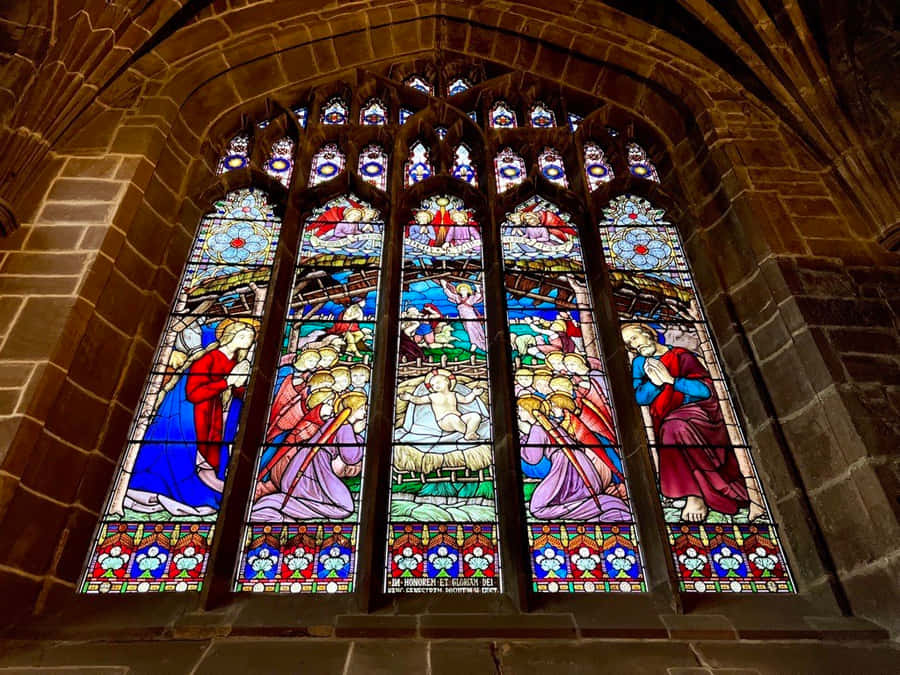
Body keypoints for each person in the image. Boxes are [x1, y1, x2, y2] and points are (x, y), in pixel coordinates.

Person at [621, 322, 758, 522]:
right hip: (666, 417)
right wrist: (655, 384)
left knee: (674, 427)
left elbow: (705, 390)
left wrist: (672, 381)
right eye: (629, 345)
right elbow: (640, 397)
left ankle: (695, 497)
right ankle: (694, 493)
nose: (634, 346)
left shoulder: (681, 356)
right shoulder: (640, 364)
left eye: (634, 338)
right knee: (672, 427)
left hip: (701, 414)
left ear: (647, 334)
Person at [126, 320, 256, 516]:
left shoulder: (233, 361)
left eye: (251, 338)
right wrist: (226, 382)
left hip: (214, 414)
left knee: (210, 456)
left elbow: (236, 390)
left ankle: (214, 485)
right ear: (233, 336)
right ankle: (173, 490)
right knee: (183, 458)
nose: (249, 340)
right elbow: (193, 393)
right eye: (245, 336)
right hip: (191, 414)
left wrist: (238, 383)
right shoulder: (208, 359)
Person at [251, 392, 368, 521]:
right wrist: (359, 439)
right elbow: (351, 457)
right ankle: (278, 506)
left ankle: (280, 506)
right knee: (345, 507)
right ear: (354, 408)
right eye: (363, 408)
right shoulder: (345, 427)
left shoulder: (334, 422)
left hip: (302, 467)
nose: (365, 412)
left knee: (337, 503)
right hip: (314, 473)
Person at [399, 370, 484, 440]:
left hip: (459, 419)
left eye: (438, 382)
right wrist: (409, 397)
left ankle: (469, 433)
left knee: (475, 416)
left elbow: (466, 400)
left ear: (447, 382)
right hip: (444, 422)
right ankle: (468, 432)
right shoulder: (433, 396)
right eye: (433, 385)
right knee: (452, 417)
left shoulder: (453, 394)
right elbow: (419, 400)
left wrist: (474, 393)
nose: (436, 386)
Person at [438, 279, 486, 352]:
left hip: (471, 317)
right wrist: (444, 286)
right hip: (463, 318)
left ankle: (475, 343)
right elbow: (450, 295)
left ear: (468, 291)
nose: (462, 290)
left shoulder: (470, 298)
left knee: (474, 330)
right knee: (469, 330)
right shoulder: (458, 298)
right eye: (461, 289)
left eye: (464, 289)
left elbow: (477, 296)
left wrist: (477, 288)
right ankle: (477, 343)